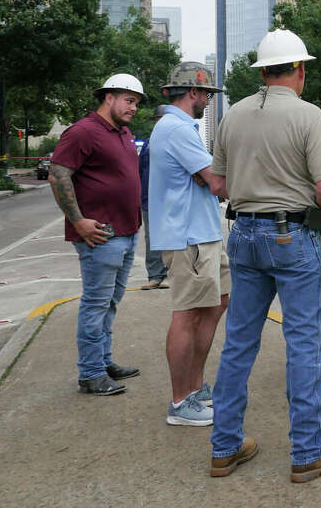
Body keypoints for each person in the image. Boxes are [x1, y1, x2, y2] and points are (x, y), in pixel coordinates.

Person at [206, 29, 321, 483]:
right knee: (304, 344)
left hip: (245, 233)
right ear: (300, 71)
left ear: (262, 71)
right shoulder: (309, 116)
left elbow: (218, 184)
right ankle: (309, 452)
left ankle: (224, 447)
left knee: (238, 345)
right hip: (293, 235)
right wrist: (320, 202)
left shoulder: (232, 116)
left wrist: (254, 192)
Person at [47, 73, 146, 396]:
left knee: (110, 303)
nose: (134, 108)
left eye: (136, 103)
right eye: (129, 101)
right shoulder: (83, 132)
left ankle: (102, 362)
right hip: (100, 235)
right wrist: (77, 221)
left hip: (126, 232)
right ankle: (90, 374)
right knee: (96, 304)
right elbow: (58, 174)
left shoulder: (124, 132)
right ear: (109, 97)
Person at [149, 62, 230, 427]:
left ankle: (194, 389)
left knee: (215, 304)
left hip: (203, 233)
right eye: (208, 95)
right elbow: (215, 181)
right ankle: (182, 400)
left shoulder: (180, 127)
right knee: (189, 314)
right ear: (194, 93)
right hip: (190, 238)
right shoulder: (175, 128)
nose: (209, 102)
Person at [139, 104, 171, 290]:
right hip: (148, 199)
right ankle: (154, 275)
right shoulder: (147, 144)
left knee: (170, 237)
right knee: (152, 238)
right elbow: (139, 170)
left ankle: (168, 274)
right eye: (157, 119)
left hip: (169, 198)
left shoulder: (173, 141)